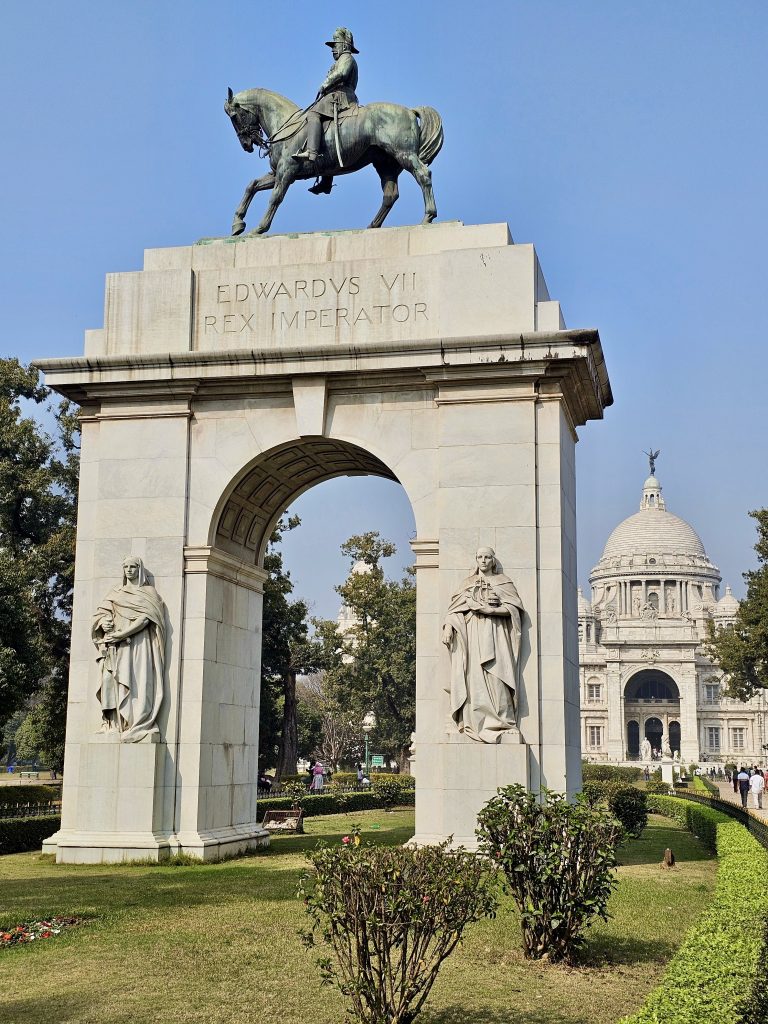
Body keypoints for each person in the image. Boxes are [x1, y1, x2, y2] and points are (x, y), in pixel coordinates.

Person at [442, 547, 524, 743]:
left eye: (487, 557)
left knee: (498, 676)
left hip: (495, 634)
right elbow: (454, 610)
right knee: (473, 680)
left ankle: (504, 722)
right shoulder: (467, 584)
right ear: (476, 560)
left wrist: (491, 610)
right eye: (480, 557)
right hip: (472, 636)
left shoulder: (503, 582)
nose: (483, 560)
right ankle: (470, 721)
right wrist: (447, 627)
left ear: (493, 560)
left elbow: (514, 608)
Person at [92, 556, 167, 742]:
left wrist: (122, 634)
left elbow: (146, 618)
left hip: (139, 645)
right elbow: (101, 613)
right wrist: (104, 622)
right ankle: (113, 724)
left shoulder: (149, 593)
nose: (129, 570)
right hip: (115, 647)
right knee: (111, 680)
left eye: (133, 567)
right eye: (125, 567)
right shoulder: (116, 592)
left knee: (138, 682)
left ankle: (137, 722)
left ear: (139, 569)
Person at [294, 27, 359, 168]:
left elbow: (341, 73)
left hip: (341, 97)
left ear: (344, 45)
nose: (332, 49)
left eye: (335, 45)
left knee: (313, 113)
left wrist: (325, 84)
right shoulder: (340, 60)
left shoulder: (346, 58)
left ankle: (312, 152)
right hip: (336, 95)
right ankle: (326, 179)